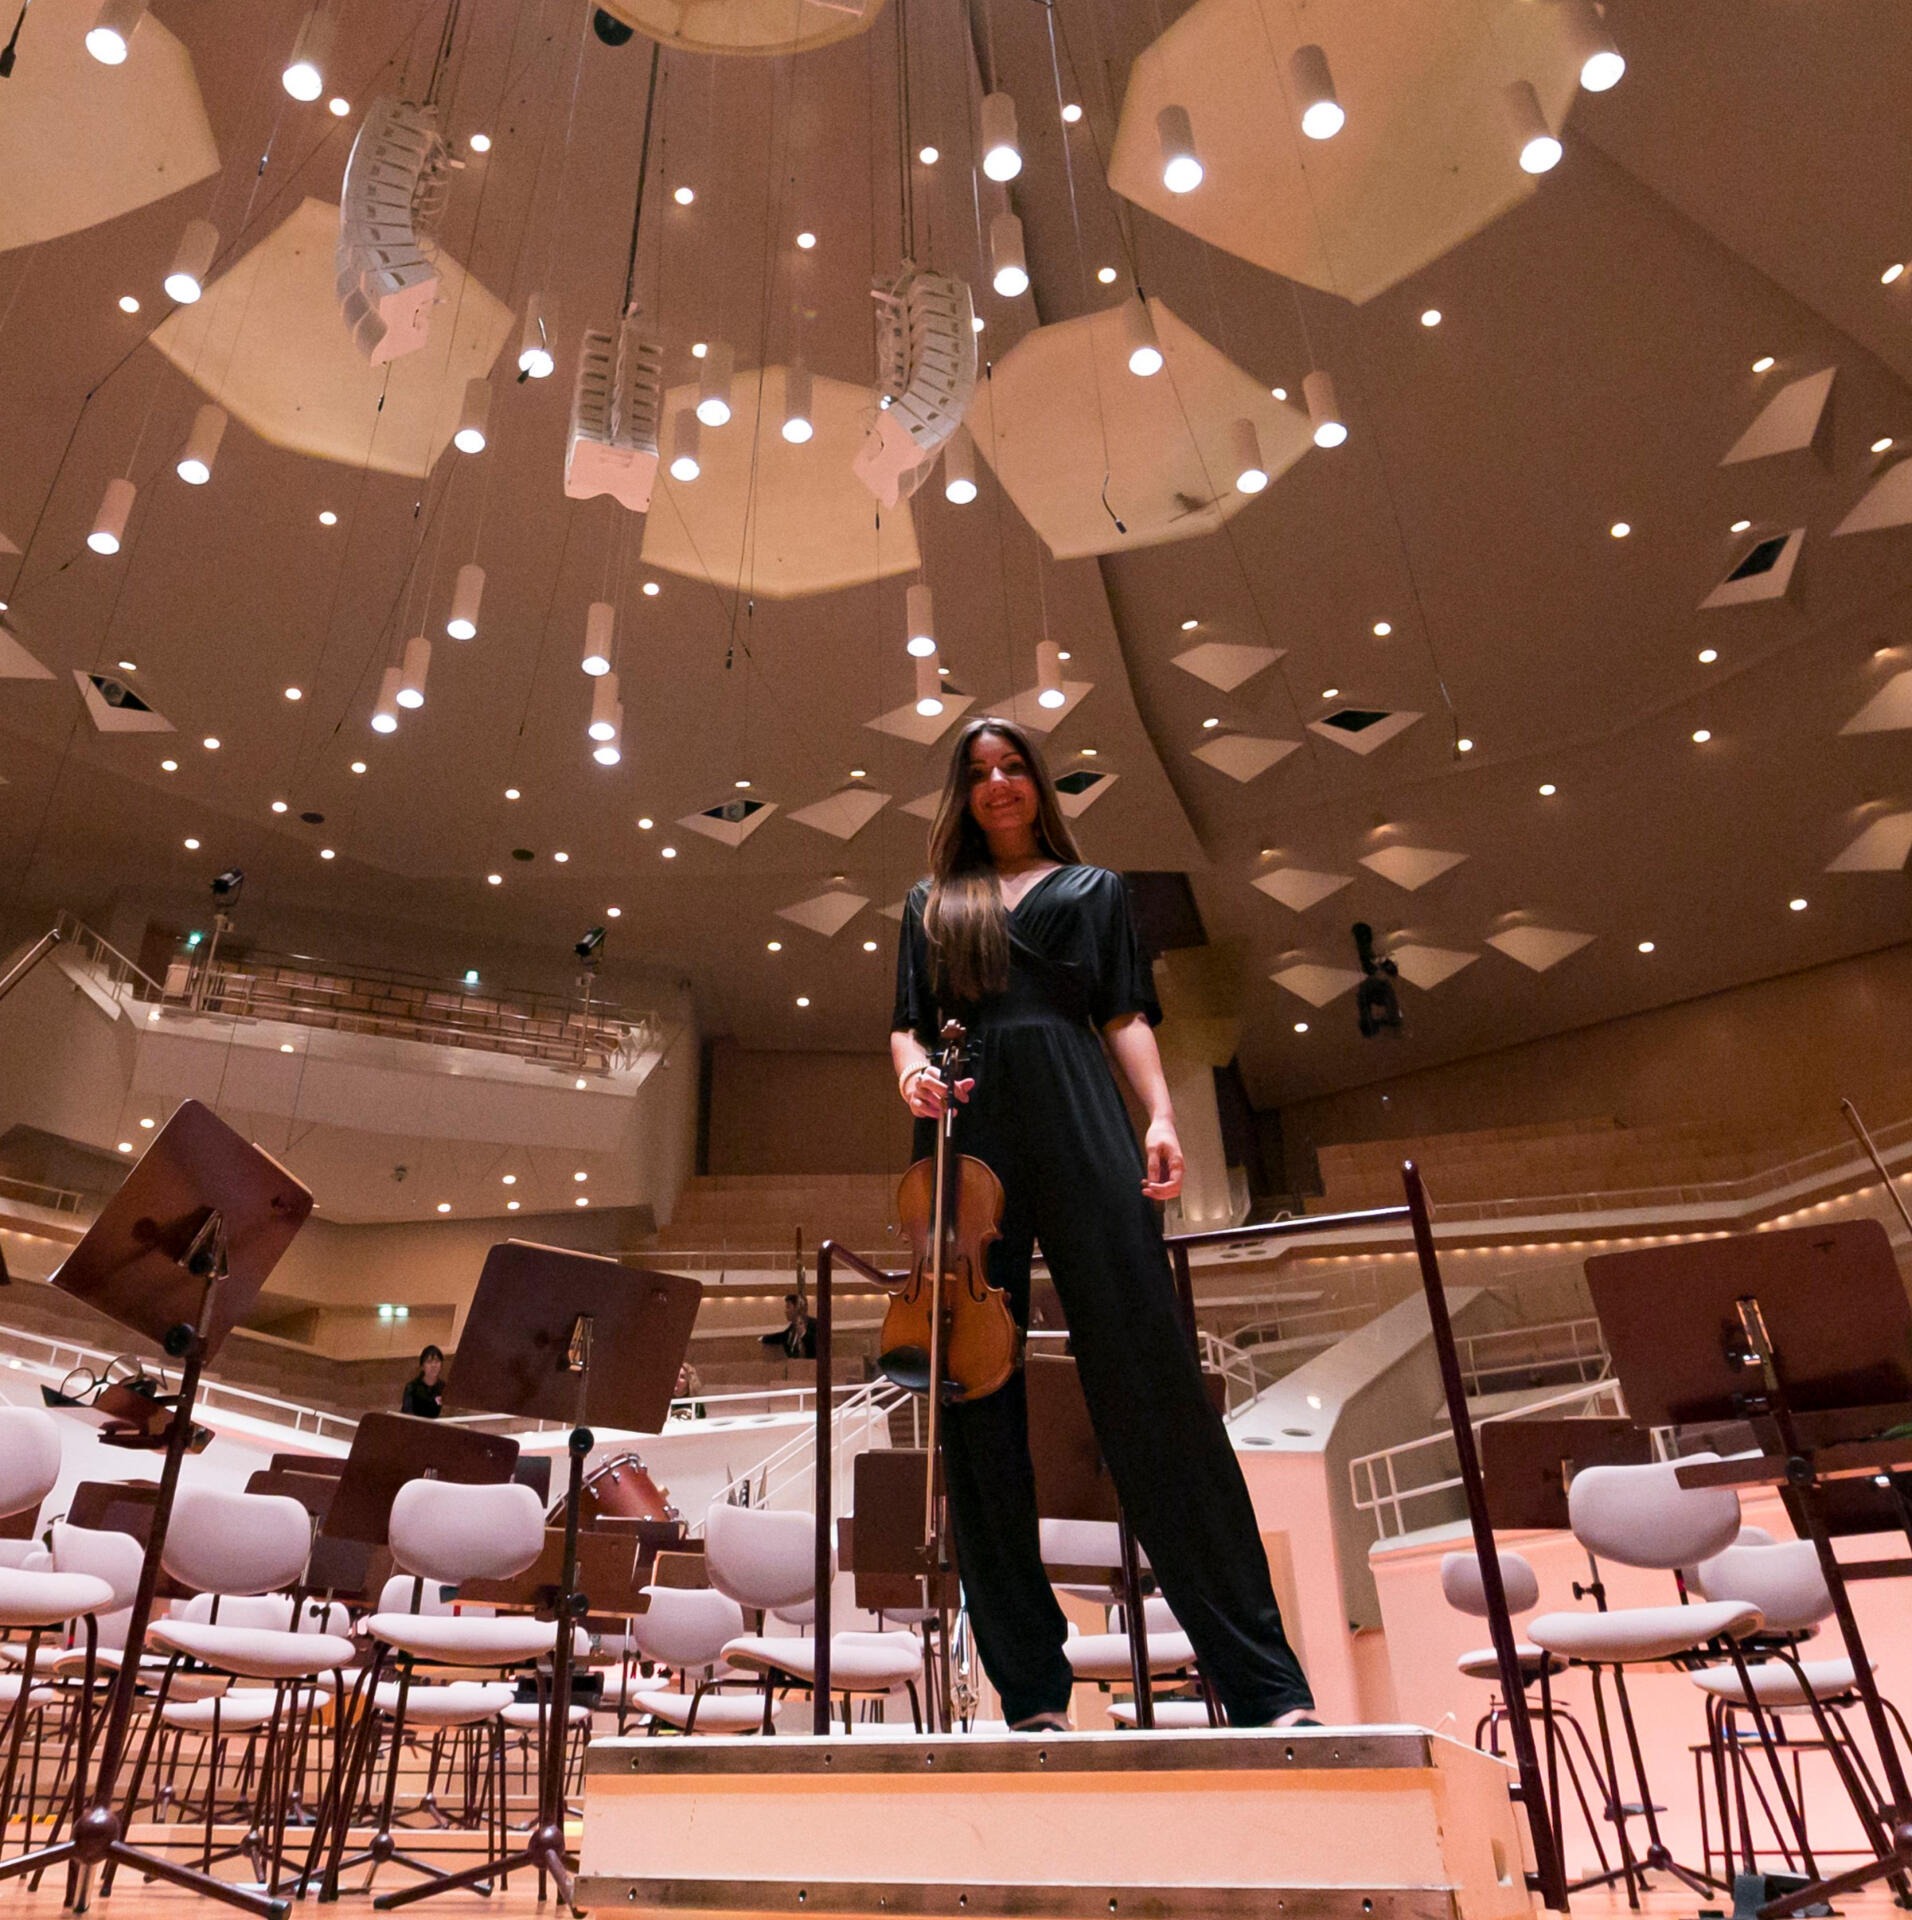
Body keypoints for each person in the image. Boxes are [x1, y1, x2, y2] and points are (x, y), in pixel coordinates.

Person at [890, 714, 1317, 1733]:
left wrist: (1162, 1116)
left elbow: (1124, 1013)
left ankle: (1263, 1685)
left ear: (1039, 783)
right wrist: (911, 1073)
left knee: (1152, 1381)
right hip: (965, 1127)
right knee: (976, 1399)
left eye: (1014, 767)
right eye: (980, 772)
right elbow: (907, 1022)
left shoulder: (1095, 891)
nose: (999, 783)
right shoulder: (929, 902)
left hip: (1080, 1110)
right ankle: (1031, 1694)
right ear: (962, 793)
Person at [759, 1293, 817, 1361]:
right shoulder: (792, 1327)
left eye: (788, 1307)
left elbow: (816, 1347)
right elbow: (782, 1336)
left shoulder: (815, 1324)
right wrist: (763, 1338)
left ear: (798, 1308)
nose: (785, 1311)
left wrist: (803, 1334)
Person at [400, 1345, 444, 1418]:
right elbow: (407, 1413)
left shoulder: (445, 1388)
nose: (433, 1365)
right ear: (422, 1366)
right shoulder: (412, 1387)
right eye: (429, 1362)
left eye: (437, 1361)